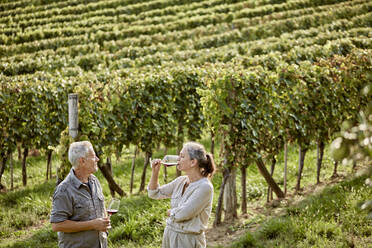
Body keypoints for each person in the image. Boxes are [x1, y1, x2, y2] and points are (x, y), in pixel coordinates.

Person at [148, 141, 215, 248]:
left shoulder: (205, 187)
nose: (178, 159)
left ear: (193, 162)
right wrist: (155, 172)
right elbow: (154, 193)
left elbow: (184, 213)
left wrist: (170, 212)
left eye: (182, 156)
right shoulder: (181, 181)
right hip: (170, 235)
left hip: (187, 240)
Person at [50, 141, 110, 248]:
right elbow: (56, 225)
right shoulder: (64, 190)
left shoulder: (94, 180)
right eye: (93, 156)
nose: (97, 159)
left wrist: (104, 223)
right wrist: (92, 225)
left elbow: (101, 206)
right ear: (82, 161)